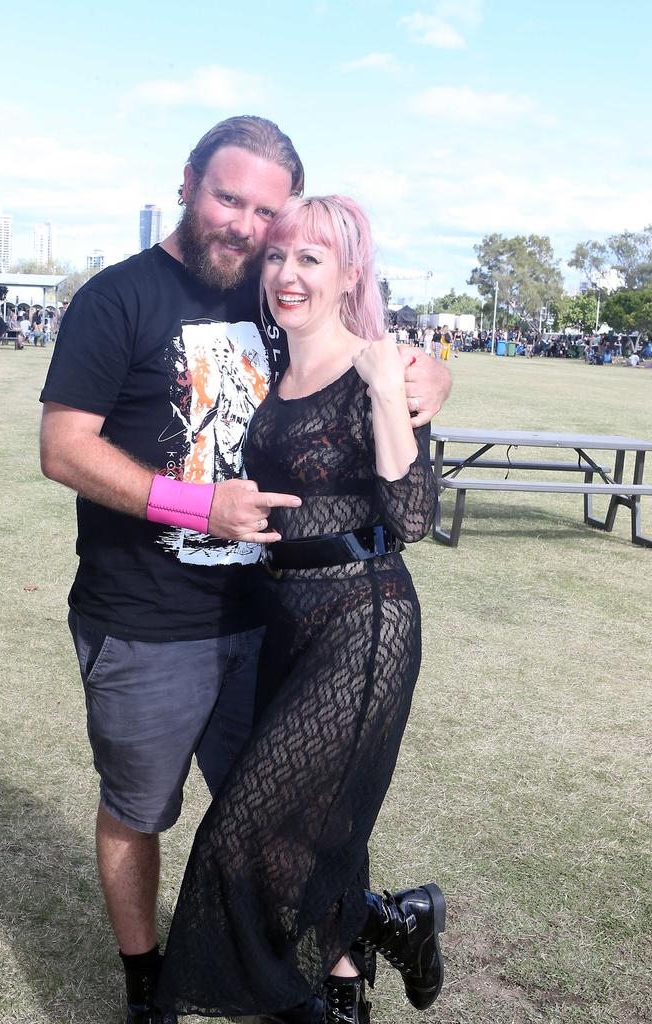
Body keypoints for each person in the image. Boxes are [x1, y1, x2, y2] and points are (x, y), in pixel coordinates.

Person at [38, 116, 452, 1024]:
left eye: (266, 212)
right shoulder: (118, 299)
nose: (247, 226)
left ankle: (340, 958)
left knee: (288, 823)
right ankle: (151, 983)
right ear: (188, 183)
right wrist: (198, 506)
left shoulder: (274, 301)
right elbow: (63, 449)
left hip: (267, 618)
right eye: (229, 198)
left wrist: (424, 383)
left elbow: (364, 374)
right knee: (140, 814)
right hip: (147, 616)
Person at [156, 196, 443, 1024]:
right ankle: (380, 938)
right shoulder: (274, 370)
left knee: (238, 833)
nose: (286, 275)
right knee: (307, 833)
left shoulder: (378, 368)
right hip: (285, 618)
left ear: (351, 274)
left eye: (311, 260)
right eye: (278, 257)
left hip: (364, 622)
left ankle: (255, 999)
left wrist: (390, 392)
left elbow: (414, 518)